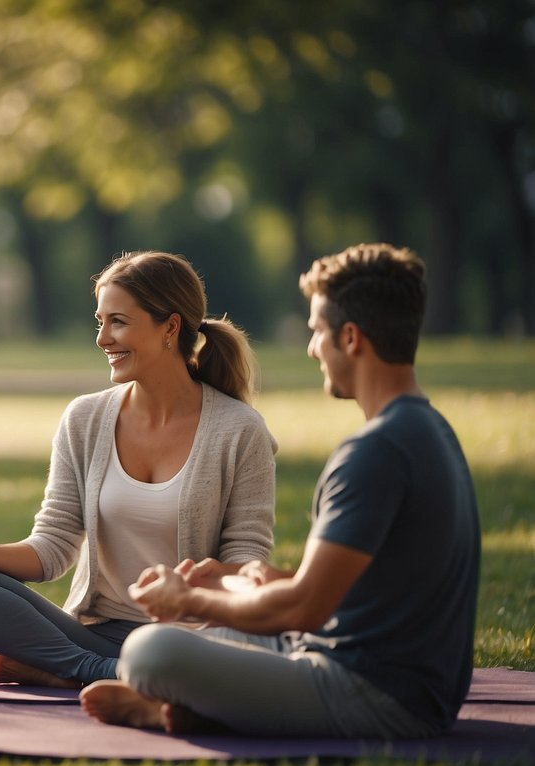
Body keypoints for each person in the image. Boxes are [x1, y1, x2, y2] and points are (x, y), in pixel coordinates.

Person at [80, 243, 480, 739]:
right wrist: (250, 582)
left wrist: (187, 602)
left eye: (316, 332)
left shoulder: (376, 452)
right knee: (216, 631)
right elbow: (351, 591)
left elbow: (303, 609)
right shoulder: (429, 429)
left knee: (149, 650)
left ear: (351, 338)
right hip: (388, 673)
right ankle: (189, 709)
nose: (312, 348)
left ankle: (172, 704)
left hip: (378, 695)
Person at [0, 251, 277, 688]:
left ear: (170, 327)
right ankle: (101, 673)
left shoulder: (241, 431)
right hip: (97, 637)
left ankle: (63, 669)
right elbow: (53, 548)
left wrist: (195, 586)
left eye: (118, 322)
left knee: (258, 651)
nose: (102, 339)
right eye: (100, 321)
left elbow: (248, 562)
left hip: (192, 641)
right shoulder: (85, 419)